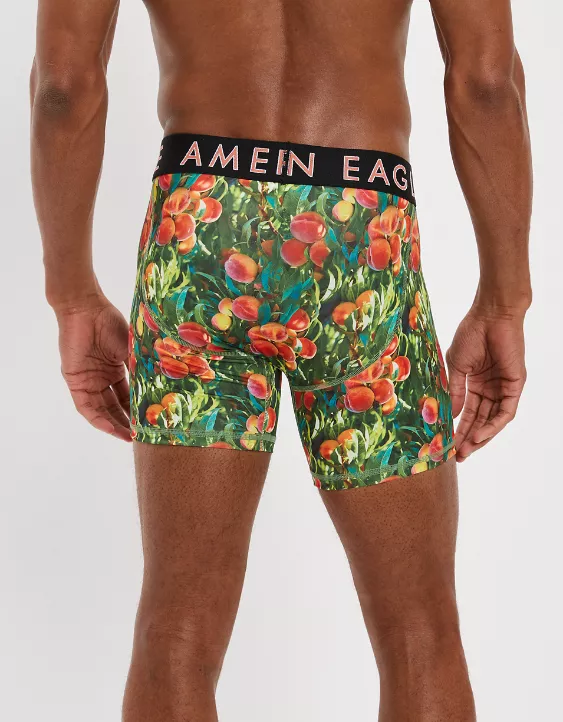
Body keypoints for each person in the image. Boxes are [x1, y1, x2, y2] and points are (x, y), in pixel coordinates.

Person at [30, 0, 531, 719]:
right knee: (419, 634)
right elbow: (486, 83)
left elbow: (63, 85)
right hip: (360, 232)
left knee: (176, 631)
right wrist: (504, 300)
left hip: (201, 224)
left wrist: (71, 293)